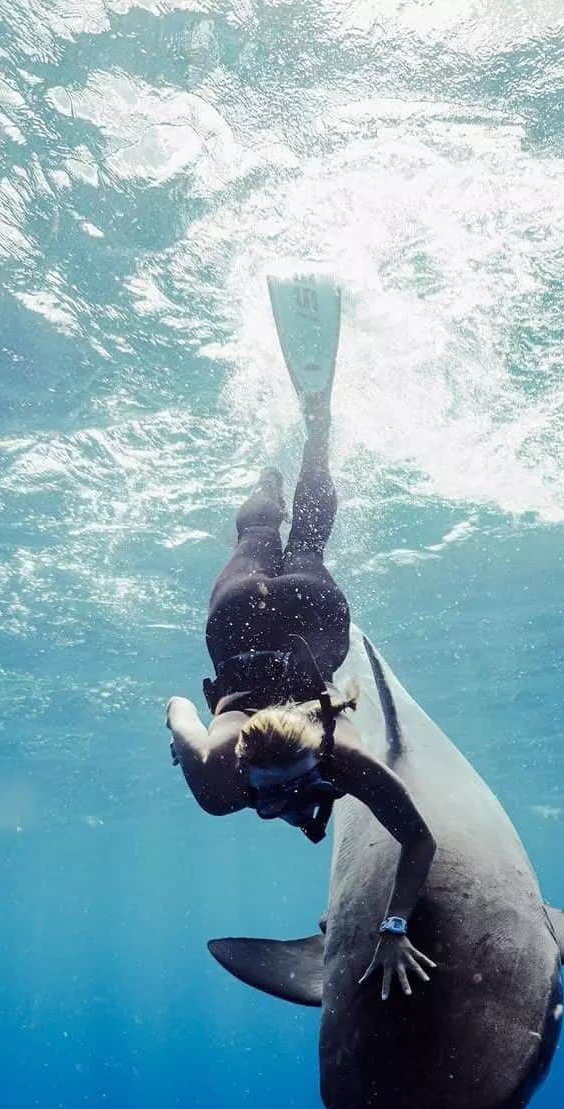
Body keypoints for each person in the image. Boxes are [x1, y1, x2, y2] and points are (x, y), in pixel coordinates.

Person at [165, 388, 436, 1000]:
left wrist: (395, 927)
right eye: (274, 789)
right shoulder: (219, 775)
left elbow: (420, 839)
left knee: (264, 532)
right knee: (296, 538)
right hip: (286, 625)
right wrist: (178, 731)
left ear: (321, 754)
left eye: (293, 782)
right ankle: (310, 438)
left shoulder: (324, 763)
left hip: (243, 626)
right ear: (243, 769)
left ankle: (288, 456)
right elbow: (179, 707)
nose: (287, 799)